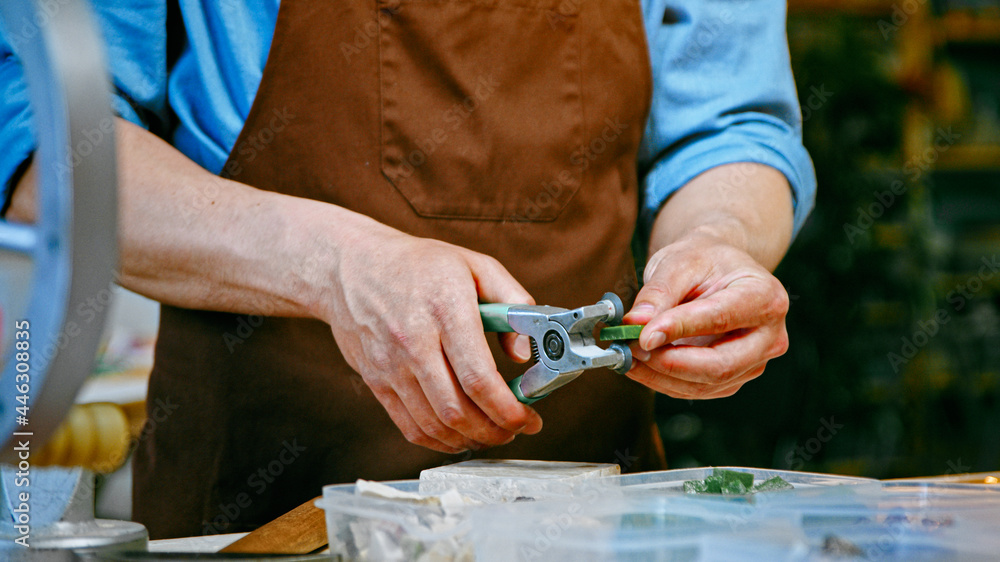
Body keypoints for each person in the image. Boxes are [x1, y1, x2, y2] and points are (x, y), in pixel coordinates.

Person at [0, 0, 815, 539]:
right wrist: (335, 267)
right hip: (256, 516)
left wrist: (721, 241)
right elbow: (41, 143)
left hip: (600, 525)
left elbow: (728, 123)